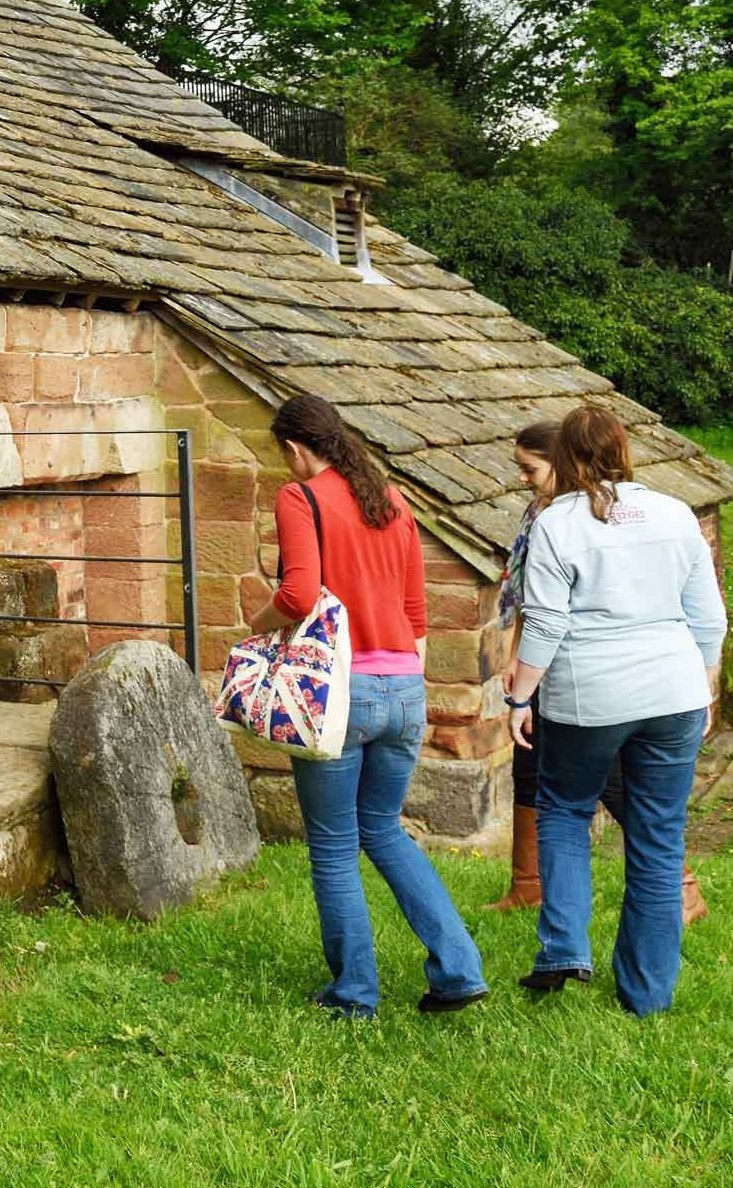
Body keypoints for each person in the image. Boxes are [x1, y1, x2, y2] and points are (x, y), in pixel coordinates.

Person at [252, 394, 487, 1018]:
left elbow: (299, 592)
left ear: (296, 450)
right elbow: (416, 611)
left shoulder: (299, 498)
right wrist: (405, 684)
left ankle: (354, 993)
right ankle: (459, 967)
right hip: (406, 687)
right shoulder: (392, 499)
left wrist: (256, 624)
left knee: (332, 843)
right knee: (381, 828)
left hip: (339, 692)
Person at [502, 406, 726, 1017]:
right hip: (674, 691)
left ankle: (564, 949)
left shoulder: (557, 523)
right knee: (657, 837)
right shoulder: (675, 513)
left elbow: (545, 622)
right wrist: (704, 685)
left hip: (590, 696)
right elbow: (709, 615)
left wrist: (520, 697)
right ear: (623, 451)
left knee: (565, 809)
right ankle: (647, 996)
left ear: (568, 456)